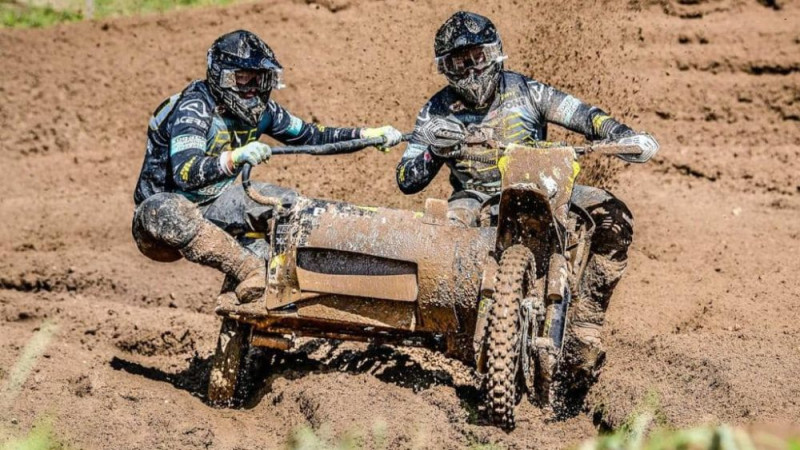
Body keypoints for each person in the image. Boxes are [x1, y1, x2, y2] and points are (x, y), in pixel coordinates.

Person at [396, 12, 659, 389]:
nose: (470, 70)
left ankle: (586, 322)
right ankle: (447, 332)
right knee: (442, 240)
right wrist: (430, 150)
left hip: (541, 189)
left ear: (495, 54)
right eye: (458, 62)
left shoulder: (528, 91)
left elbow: (583, 115)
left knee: (613, 215)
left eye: (477, 57)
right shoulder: (435, 111)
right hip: (473, 198)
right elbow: (406, 179)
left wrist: (626, 135)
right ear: (445, 68)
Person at [132, 30, 402, 304]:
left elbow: (312, 136)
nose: (251, 87)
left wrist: (366, 135)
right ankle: (248, 270)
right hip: (158, 221)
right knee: (164, 209)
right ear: (221, 76)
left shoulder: (266, 112)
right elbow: (186, 172)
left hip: (214, 204)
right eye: (242, 78)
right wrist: (236, 157)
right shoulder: (194, 107)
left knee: (285, 205)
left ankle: (263, 297)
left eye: (259, 78)